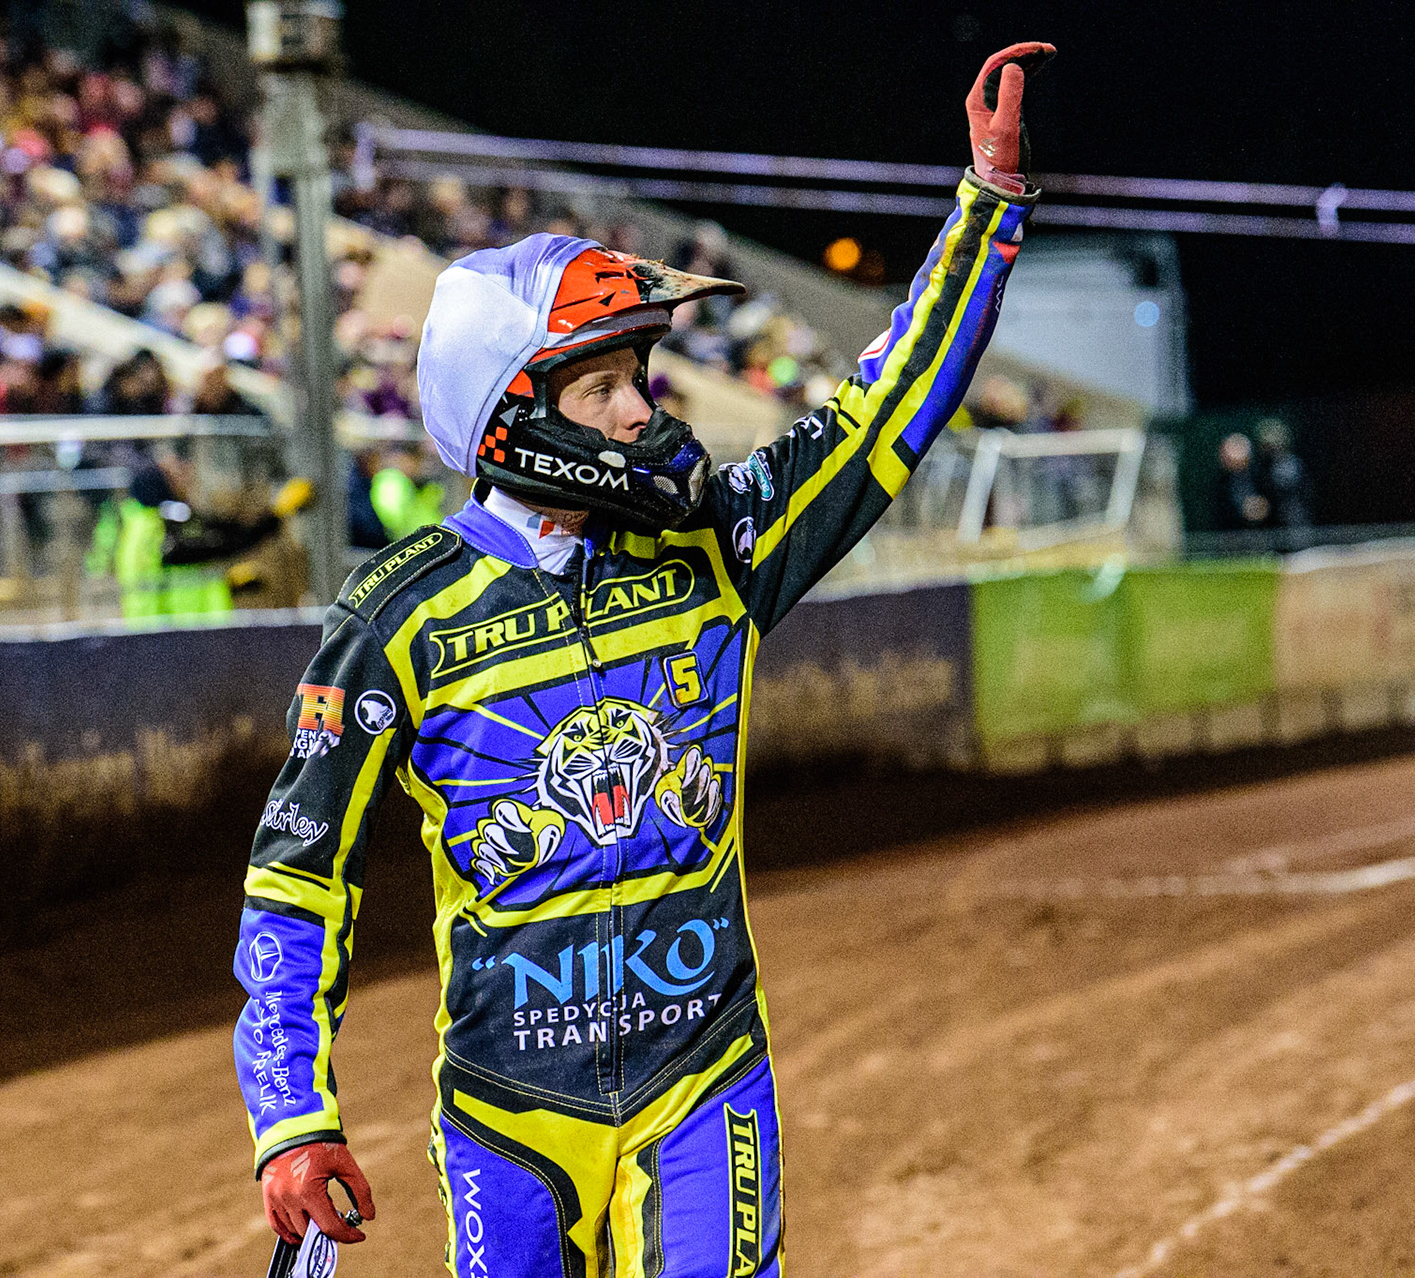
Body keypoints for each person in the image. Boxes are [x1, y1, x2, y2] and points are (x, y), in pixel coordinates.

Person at [235, 43, 1053, 1275]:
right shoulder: (394, 615)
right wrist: (290, 1121)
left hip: (702, 1081)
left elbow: (884, 409)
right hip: (504, 1115)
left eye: (641, 378)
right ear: (510, 411)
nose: (640, 412)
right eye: (604, 384)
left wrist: (983, 210)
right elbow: (297, 884)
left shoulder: (718, 545)